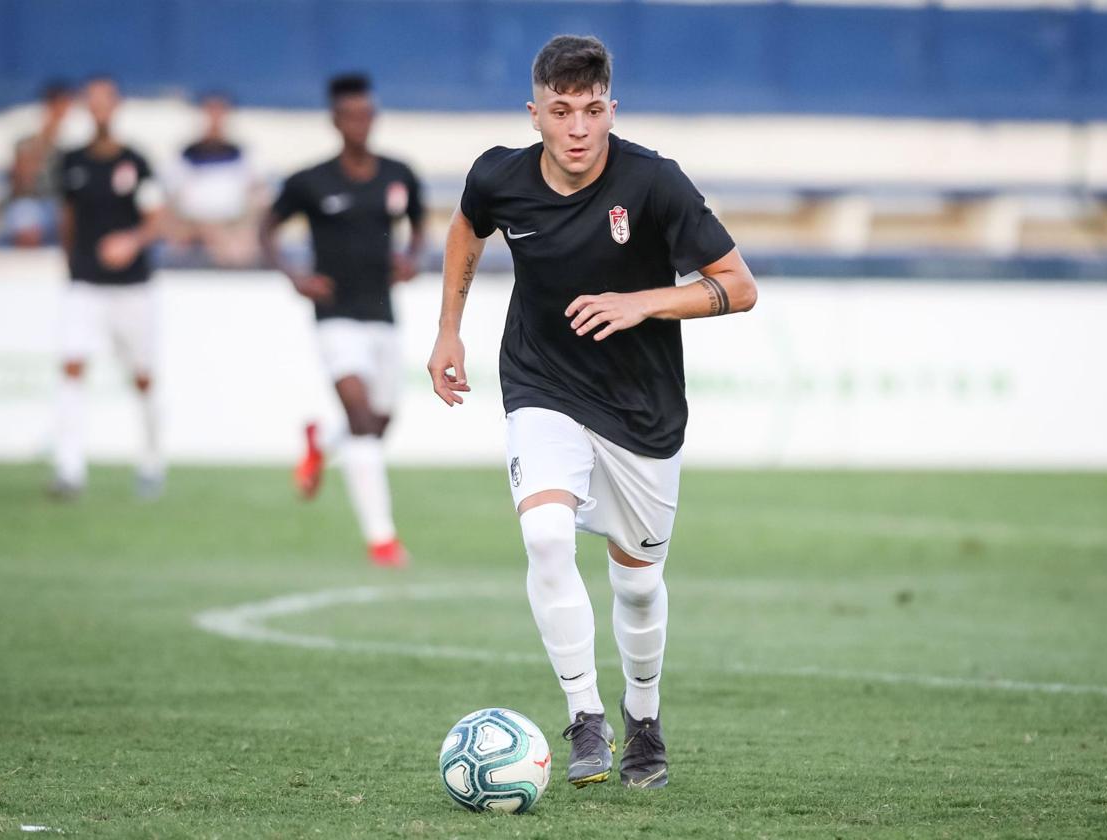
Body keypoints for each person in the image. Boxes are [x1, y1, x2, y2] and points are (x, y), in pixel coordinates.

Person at [427, 35, 757, 790]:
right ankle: (584, 719)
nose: (578, 128)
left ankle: (644, 716)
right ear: (535, 112)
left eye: (593, 110)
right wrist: (448, 328)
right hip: (541, 385)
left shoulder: (655, 183)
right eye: (562, 110)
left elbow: (739, 286)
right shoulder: (498, 175)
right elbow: (466, 229)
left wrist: (644, 301)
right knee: (545, 535)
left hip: (642, 411)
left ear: (614, 109)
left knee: (637, 583)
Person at [260, 73, 425, 568]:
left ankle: (320, 444)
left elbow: (420, 226)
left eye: (366, 114)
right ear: (335, 120)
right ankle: (382, 540)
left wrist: (412, 257)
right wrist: (293, 274)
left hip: (383, 315)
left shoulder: (399, 174)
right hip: (334, 316)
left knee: (378, 421)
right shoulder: (311, 180)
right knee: (361, 420)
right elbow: (265, 226)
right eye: (350, 115)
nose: (359, 123)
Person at [52, 76, 166, 498]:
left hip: (133, 286)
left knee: (143, 376)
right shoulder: (71, 162)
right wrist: (71, 260)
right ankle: (69, 467)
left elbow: (157, 217)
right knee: (72, 365)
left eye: (106, 101)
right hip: (85, 283)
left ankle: (152, 460)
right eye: (93, 102)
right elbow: (67, 217)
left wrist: (130, 241)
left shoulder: (137, 162)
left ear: (117, 106)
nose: (100, 109)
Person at [165, 92, 264, 267]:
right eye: (210, 112)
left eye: (220, 112)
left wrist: (242, 228)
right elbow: (172, 197)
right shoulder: (186, 155)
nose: (215, 118)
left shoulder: (242, 155)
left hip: (233, 226)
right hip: (193, 227)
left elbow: (256, 193)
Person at [2, 80, 74, 247]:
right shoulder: (25, 128)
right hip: (32, 202)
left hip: (61, 203)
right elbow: (22, 181)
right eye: (58, 106)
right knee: (26, 216)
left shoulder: (77, 133)